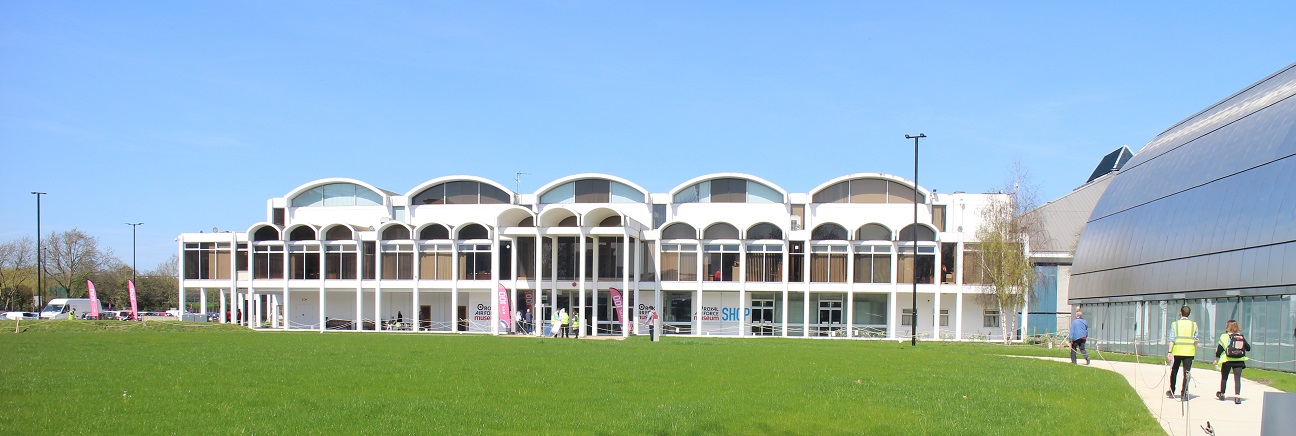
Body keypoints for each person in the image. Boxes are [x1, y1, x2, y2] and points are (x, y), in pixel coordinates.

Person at [1213, 320, 1251, 404]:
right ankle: (1237, 397)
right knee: (1237, 379)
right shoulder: (1240, 337)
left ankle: (1222, 394)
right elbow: (1248, 348)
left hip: (1227, 360)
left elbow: (1219, 350)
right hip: (1239, 360)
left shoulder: (1224, 336)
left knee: (1224, 378)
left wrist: (1216, 359)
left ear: (1227, 327)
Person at [1166, 306, 1199, 401]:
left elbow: (1172, 339)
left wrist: (1169, 351)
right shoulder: (1194, 325)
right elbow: (1196, 339)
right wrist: (1194, 349)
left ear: (1181, 312)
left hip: (1177, 351)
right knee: (1187, 373)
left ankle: (1172, 390)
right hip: (1189, 352)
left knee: (1174, 371)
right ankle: (1184, 393)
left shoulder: (1175, 324)